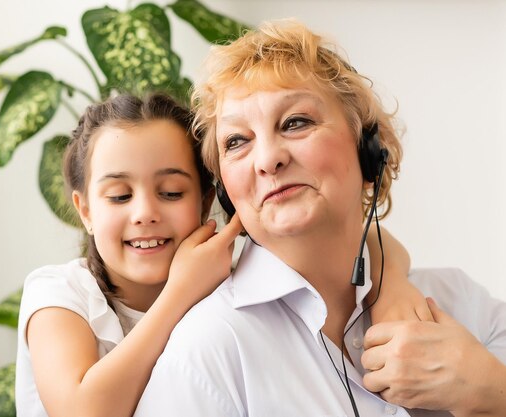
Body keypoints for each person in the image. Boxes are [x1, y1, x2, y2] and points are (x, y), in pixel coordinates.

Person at [134, 20, 506, 417]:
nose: (268, 159)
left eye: (295, 122)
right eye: (237, 142)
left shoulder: (462, 304)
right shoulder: (208, 352)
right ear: (226, 191)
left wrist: (490, 389)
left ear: (370, 152)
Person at [15, 93, 424, 417]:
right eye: (119, 196)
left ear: (208, 198)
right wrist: (181, 292)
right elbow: (84, 411)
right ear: (85, 210)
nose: (145, 214)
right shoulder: (59, 295)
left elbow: (364, 235)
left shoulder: (227, 265)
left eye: (171, 192)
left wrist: (391, 288)